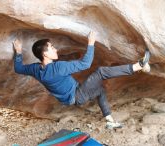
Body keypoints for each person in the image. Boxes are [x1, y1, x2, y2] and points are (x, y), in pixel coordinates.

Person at [13, 31, 151, 129]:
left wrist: (18, 52)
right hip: (77, 94)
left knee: (100, 90)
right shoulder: (58, 68)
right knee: (100, 72)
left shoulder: (35, 69)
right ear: (45, 54)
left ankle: (109, 120)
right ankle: (139, 65)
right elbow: (85, 64)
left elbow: (18, 68)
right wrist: (91, 43)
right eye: (52, 48)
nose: (56, 49)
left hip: (73, 97)